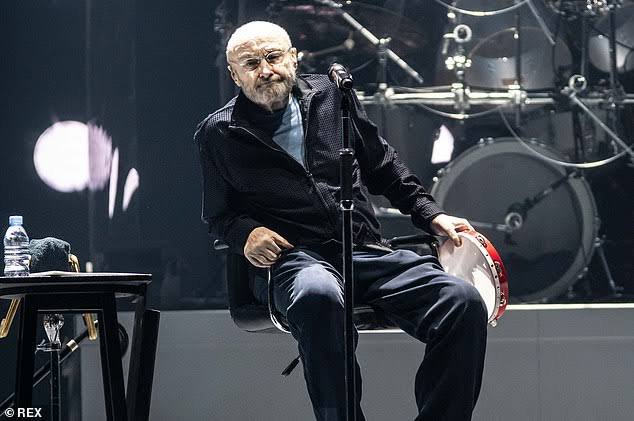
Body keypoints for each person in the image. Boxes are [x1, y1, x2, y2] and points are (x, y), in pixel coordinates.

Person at [195, 20, 487, 421]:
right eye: (251, 63)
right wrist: (247, 233)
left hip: (364, 250)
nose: (265, 70)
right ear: (234, 75)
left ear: (293, 58)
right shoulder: (219, 132)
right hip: (295, 261)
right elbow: (218, 216)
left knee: (462, 301)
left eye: (273, 57)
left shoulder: (333, 96)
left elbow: (383, 166)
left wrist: (431, 214)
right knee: (318, 295)